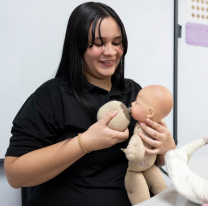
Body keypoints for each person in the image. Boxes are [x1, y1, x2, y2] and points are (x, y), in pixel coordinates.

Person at [4, 2, 176, 206]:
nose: (111, 52)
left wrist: (166, 148)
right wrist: (84, 143)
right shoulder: (50, 97)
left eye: (117, 42)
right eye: (98, 43)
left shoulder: (135, 92)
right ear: (77, 45)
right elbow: (15, 175)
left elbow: (150, 159)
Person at [123, 85, 173, 205]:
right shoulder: (145, 127)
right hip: (139, 168)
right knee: (141, 197)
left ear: (150, 113)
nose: (132, 103)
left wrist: (169, 147)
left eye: (137, 102)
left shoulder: (154, 128)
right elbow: (136, 146)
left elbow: (137, 142)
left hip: (149, 166)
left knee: (163, 190)